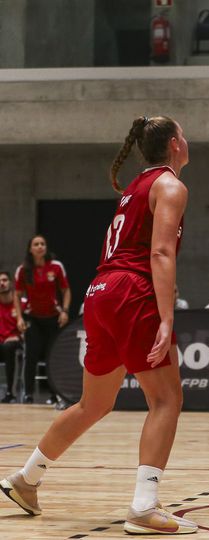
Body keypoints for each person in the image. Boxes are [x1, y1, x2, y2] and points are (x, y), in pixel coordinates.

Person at [1, 116, 197, 534]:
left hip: (100, 290)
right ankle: (144, 506)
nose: (188, 138)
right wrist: (166, 317)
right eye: (185, 132)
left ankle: (27, 479)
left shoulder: (133, 189)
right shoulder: (170, 185)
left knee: (94, 404)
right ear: (175, 144)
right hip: (132, 291)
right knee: (166, 400)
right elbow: (161, 254)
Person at [13, 235, 71, 404]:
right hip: (33, 318)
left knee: (52, 356)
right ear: (30, 249)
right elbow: (17, 296)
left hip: (53, 317)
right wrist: (19, 318)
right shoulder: (23, 270)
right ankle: (28, 394)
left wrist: (65, 311)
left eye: (42, 244)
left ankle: (55, 394)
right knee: (31, 355)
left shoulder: (56, 267)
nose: (40, 247)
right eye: (36, 244)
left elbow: (66, 290)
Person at [0, 271, 22, 403]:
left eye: (4, 280)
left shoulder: (21, 303)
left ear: (10, 283)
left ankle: (10, 392)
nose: (1, 283)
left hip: (14, 342)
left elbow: (28, 325)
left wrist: (18, 336)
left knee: (9, 347)